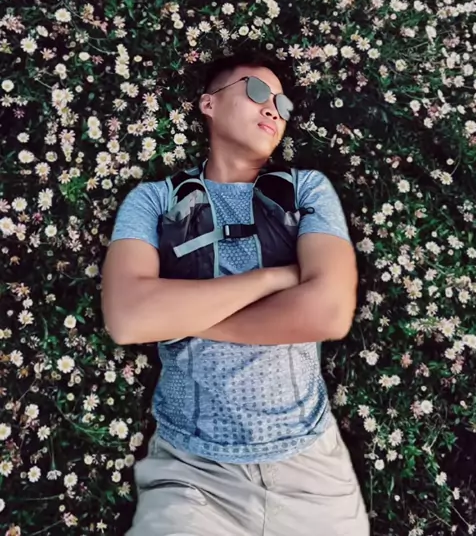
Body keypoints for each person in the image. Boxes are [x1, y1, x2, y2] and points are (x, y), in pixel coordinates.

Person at [101, 49, 370, 536]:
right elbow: (127, 319)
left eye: (283, 104)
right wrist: (274, 279)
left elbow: (329, 312)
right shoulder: (155, 201)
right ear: (208, 103)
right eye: (256, 91)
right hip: (191, 473)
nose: (273, 109)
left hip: (311, 470)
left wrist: (179, 319)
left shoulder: (306, 190)